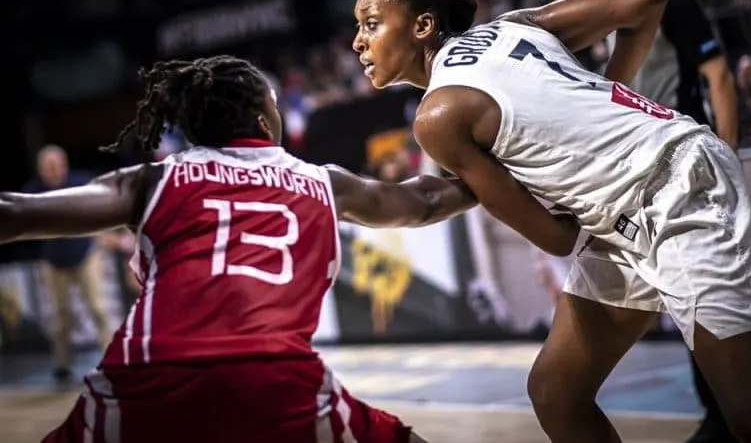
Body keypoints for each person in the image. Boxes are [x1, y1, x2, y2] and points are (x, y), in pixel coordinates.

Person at [351, 0, 751, 442]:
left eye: (371, 24)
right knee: (555, 392)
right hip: (623, 208)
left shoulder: (437, 116)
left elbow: (557, 236)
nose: (358, 41)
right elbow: (649, 1)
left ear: (423, 26)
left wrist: (479, 185)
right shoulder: (512, 27)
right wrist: (613, 91)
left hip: (673, 188)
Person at [0, 56, 478, 443]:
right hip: (274, 377)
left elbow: (19, 214)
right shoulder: (326, 183)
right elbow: (425, 200)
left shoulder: (153, 180)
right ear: (261, 118)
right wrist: (515, 169)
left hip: (147, 379)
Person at [586, 0, 739, 441]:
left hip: (687, 167)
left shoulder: (670, 1)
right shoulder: (600, 18)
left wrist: (729, 157)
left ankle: (728, 417)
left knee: (704, 298)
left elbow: (717, 75)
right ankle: (722, 414)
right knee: (682, 302)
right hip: (636, 180)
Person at [24, 144, 112, 383]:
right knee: (60, 317)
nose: (53, 170)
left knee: (99, 309)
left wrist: (101, 250)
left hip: (86, 255)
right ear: (40, 169)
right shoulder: (33, 192)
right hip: (53, 262)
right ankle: (62, 365)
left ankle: (111, 359)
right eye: (47, 166)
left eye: (56, 164)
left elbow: (100, 214)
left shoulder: (81, 183)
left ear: (64, 165)